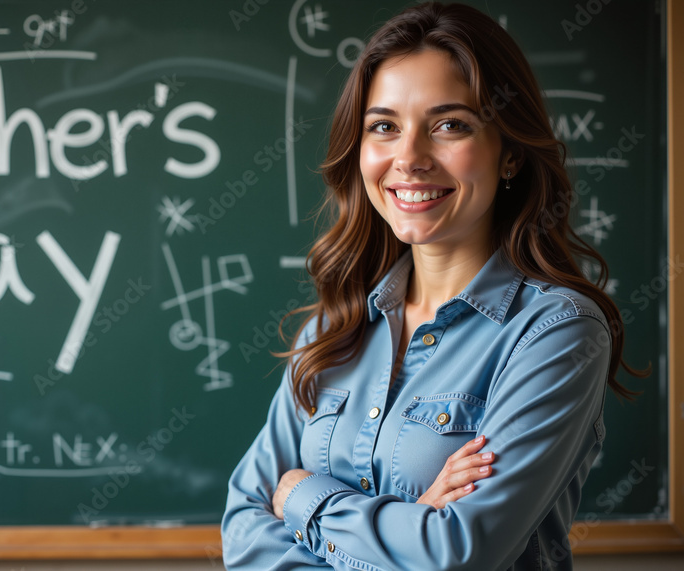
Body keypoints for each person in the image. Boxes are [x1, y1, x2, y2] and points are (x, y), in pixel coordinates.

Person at [220, 3, 644, 569]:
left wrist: (301, 496)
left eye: (450, 125)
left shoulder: (556, 332)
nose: (409, 158)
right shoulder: (334, 328)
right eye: (384, 127)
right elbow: (243, 530)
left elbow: (459, 552)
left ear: (511, 153)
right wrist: (414, 521)